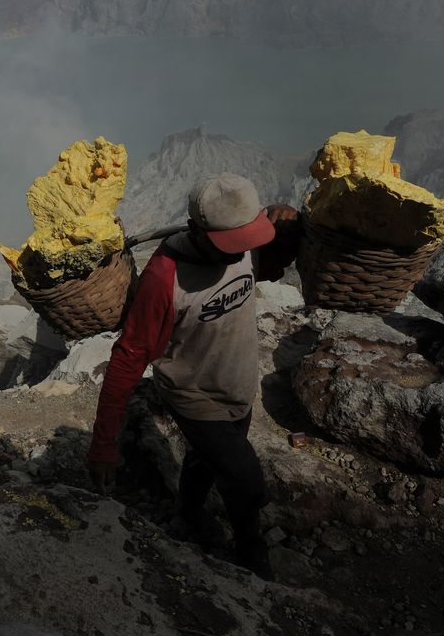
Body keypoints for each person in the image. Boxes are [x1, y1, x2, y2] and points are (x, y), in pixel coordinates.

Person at [86, 172, 299, 580]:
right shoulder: (165, 278)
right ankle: (253, 561)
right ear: (200, 232)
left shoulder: (243, 247)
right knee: (248, 484)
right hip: (195, 395)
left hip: (238, 385)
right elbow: (129, 357)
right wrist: (103, 444)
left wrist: (291, 230)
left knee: (206, 459)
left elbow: (270, 265)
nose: (239, 253)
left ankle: (188, 512)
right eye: (231, 245)